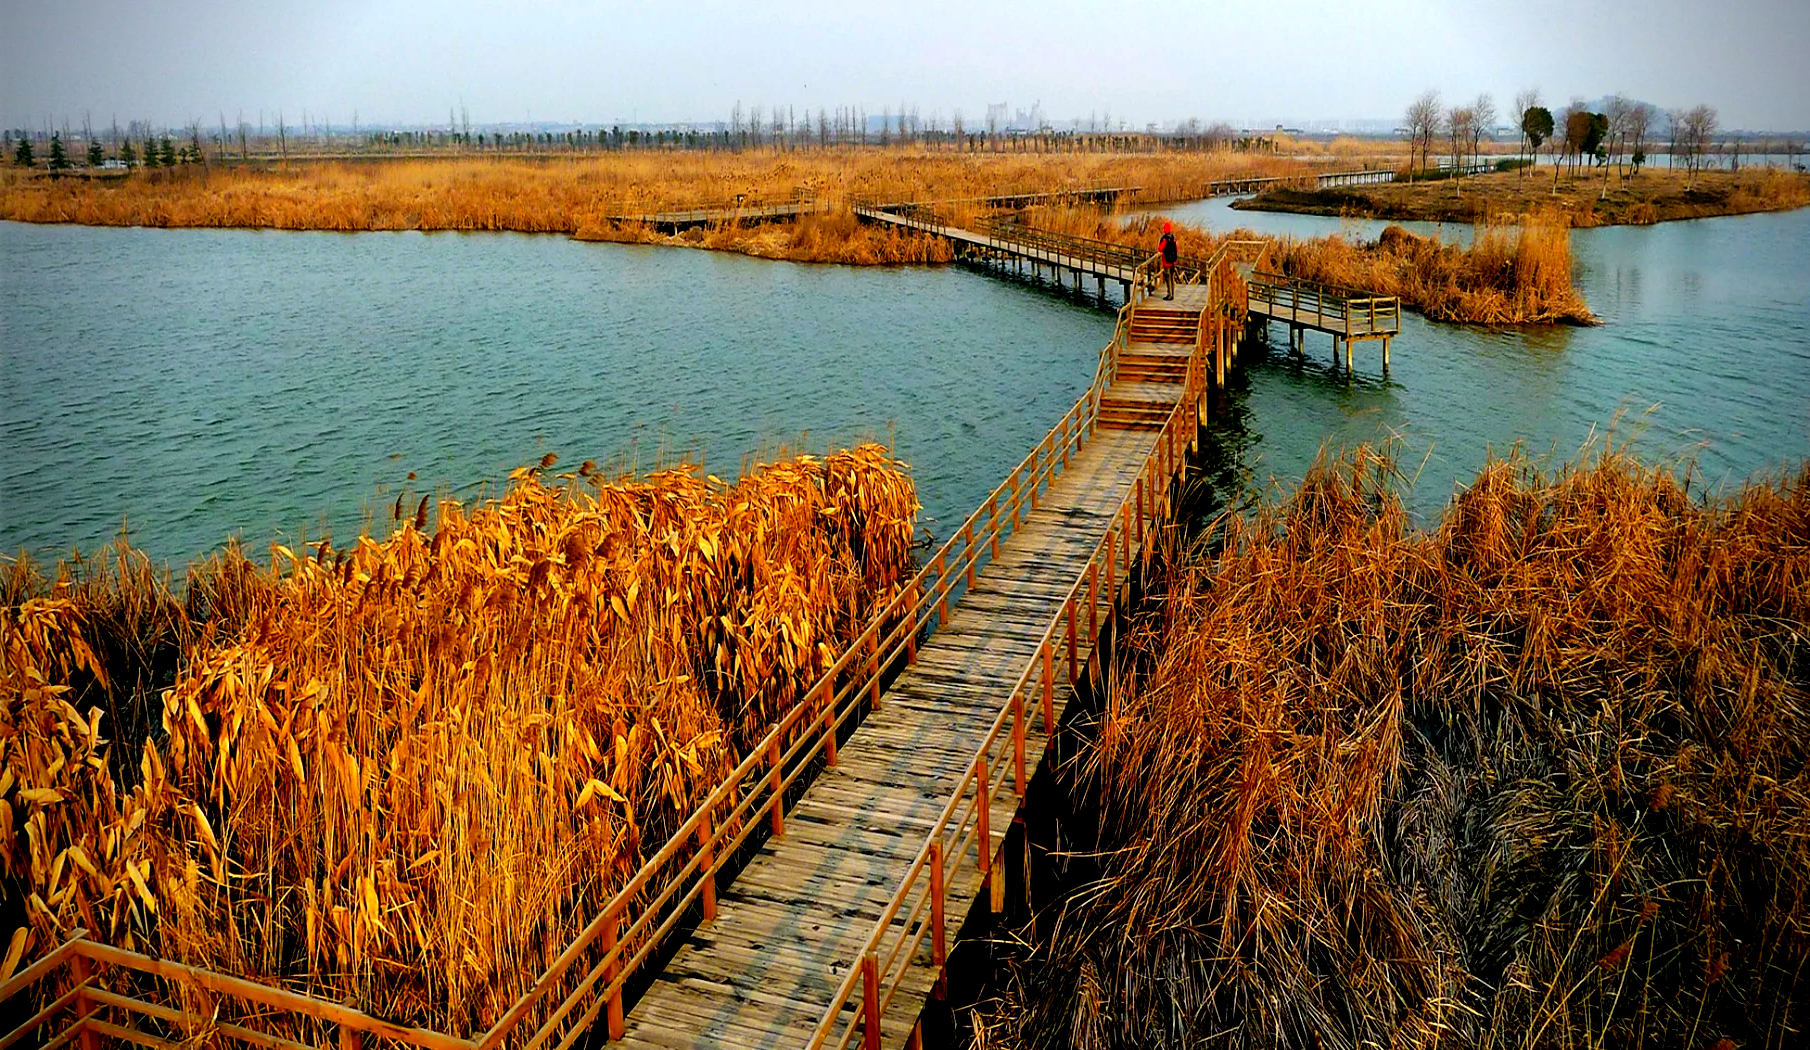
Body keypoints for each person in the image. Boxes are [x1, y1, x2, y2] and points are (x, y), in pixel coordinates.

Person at [1157, 221, 1178, 300]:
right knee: (1172, 278)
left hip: (1166, 261)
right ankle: (1172, 294)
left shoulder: (1165, 239)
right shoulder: (1172, 237)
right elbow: (1176, 249)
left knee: (1168, 278)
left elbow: (1160, 248)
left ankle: (1169, 294)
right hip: (1172, 261)